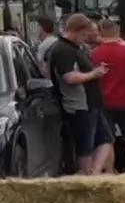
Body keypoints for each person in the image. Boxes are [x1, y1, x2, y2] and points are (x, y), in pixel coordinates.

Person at [48, 13, 112, 175]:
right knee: (85, 148)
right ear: (74, 31)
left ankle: (94, 173)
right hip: (79, 106)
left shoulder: (77, 48)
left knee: (105, 140)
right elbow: (69, 77)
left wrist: (96, 70)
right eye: (83, 34)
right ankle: (88, 175)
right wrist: (94, 74)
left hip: (92, 103)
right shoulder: (62, 50)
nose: (85, 38)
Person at [91, 18, 125, 173]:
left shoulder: (94, 53)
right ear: (116, 32)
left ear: (101, 32)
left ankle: (110, 173)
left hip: (104, 103)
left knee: (108, 141)